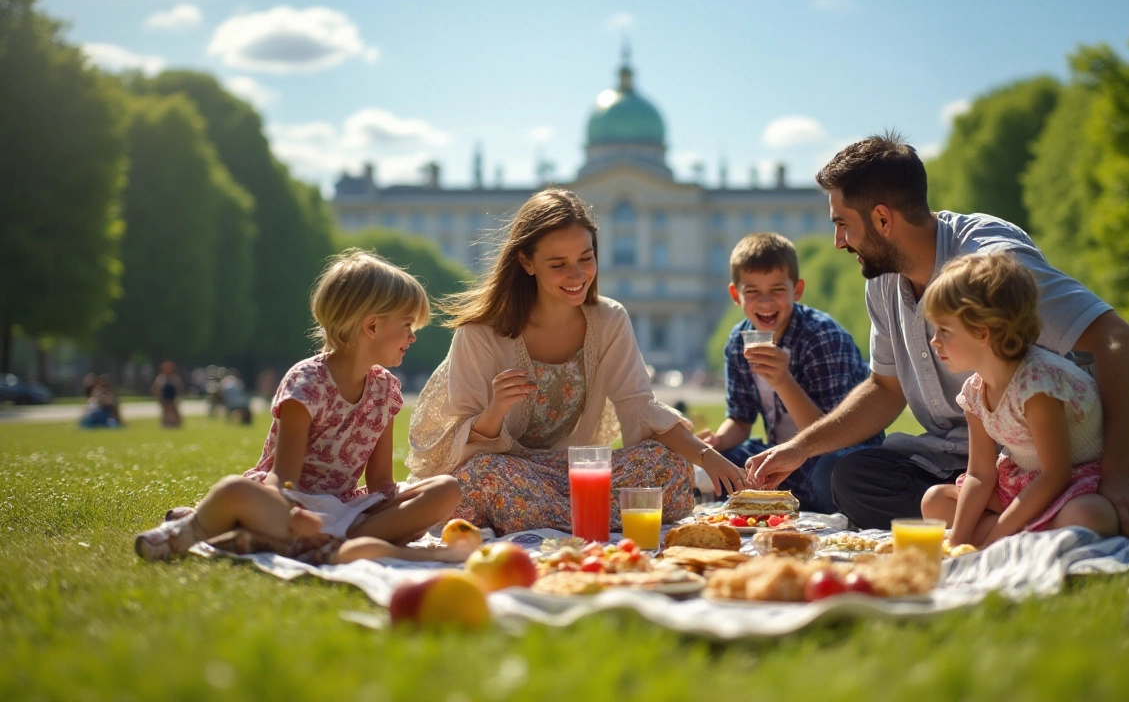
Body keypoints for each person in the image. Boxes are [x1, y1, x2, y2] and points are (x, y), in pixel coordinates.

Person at [747, 132, 1129, 540]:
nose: (838, 241)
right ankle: (1038, 519)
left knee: (888, 490)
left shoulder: (992, 266)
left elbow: (1122, 343)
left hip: (1050, 456)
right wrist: (799, 448)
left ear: (882, 219)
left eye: (842, 224)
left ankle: (1085, 508)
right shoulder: (881, 281)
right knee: (847, 477)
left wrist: (1117, 474)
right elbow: (885, 388)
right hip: (966, 462)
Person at [405, 188, 746, 536]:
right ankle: (590, 516)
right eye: (558, 265)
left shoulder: (610, 319)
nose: (577, 275)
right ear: (526, 262)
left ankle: (550, 516)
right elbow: (464, 452)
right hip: (505, 471)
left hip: (573, 473)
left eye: (586, 258)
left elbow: (639, 406)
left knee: (668, 466)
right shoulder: (480, 333)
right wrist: (496, 409)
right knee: (477, 480)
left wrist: (705, 455)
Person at [135, 249, 464, 563]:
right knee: (235, 490)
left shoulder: (386, 391)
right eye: (407, 325)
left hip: (343, 510)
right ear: (372, 326)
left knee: (446, 490)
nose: (413, 336)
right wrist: (292, 513)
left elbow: (380, 483)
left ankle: (321, 543)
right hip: (289, 503)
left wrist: (405, 508)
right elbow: (282, 477)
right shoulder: (307, 382)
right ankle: (191, 532)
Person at [917, 254, 1129, 547]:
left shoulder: (1037, 383)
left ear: (982, 333)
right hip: (1025, 484)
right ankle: (1031, 537)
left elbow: (1055, 475)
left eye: (944, 330)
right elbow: (979, 474)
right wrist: (956, 544)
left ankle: (1016, 537)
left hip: (1078, 485)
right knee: (934, 501)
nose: (934, 341)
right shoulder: (975, 391)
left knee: (1088, 516)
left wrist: (991, 540)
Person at [698, 232, 883, 513]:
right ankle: (773, 498)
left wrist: (783, 381)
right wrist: (718, 442)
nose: (766, 302)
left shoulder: (821, 337)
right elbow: (740, 418)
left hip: (836, 451)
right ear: (736, 295)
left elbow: (830, 433)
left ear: (797, 290)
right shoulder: (740, 341)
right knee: (716, 462)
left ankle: (800, 502)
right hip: (782, 453)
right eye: (752, 292)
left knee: (830, 474)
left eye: (777, 290)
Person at [151, 361, 184, 428]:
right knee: (165, 411)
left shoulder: (174, 377)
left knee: (174, 411)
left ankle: (176, 423)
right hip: (164, 397)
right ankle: (165, 423)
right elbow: (156, 388)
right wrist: (157, 397)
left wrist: (179, 396)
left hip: (173, 397)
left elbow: (179, 387)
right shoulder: (161, 378)